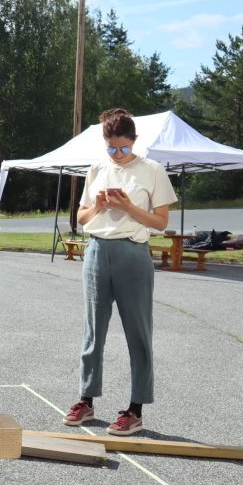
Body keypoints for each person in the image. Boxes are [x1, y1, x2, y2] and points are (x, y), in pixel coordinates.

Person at [63, 108, 177, 437]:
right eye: (112, 148)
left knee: (138, 332)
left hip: (133, 252)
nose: (118, 154)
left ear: (134, 142)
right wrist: (98, 204)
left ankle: (135, 408)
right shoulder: (97, 169)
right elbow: (82, 218)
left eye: (123, 148)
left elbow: (160, 222)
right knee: (92, 331)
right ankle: (86, 399)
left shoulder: (152, 170)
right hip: (97, 251)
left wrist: (127, 206)